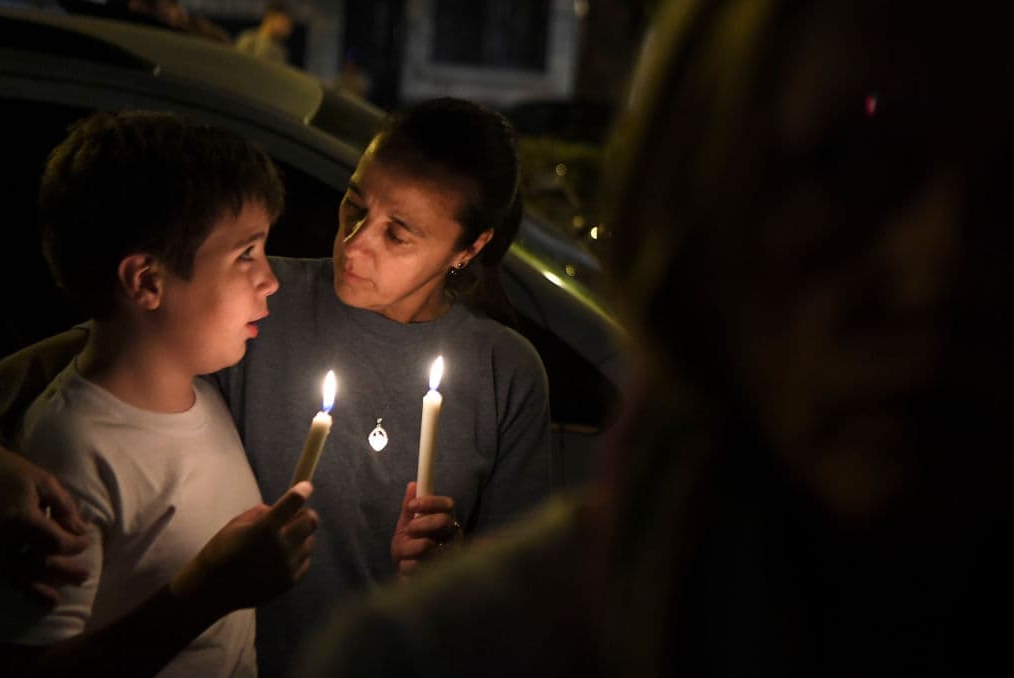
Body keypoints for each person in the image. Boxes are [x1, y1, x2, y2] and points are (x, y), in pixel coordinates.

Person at [295, 1, 1014, 676]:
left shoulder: (502, 372)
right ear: (695, 196)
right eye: (856, 162)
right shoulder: (463, 650)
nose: (939, 271)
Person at [0, 97, 551, 676]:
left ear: (469, 247)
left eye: (398, 234)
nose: (354, 245)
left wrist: (454, 569)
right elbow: (86, 364)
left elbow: (526, 595)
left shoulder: (503, 372)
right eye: (354, 204)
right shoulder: (252, 302)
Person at [0, 111, 319, 677]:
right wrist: (207, 593)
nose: (270, 279)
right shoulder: (70, 457)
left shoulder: (204, 389)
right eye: (247, 254)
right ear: (146, 282)